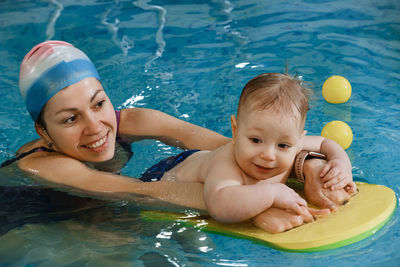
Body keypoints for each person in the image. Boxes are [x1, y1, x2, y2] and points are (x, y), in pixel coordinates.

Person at [4, 41, 353, 231]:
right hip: (32, 220)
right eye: (69, 119)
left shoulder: (131, 120)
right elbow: (144, 191)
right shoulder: (44, 167)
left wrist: (306, 166)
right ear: (43, 131)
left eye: (98, 104)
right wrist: (259, 206)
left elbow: (232, 146)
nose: (95, 126)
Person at [140, 73, 357, 233]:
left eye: (283, 146)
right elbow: (220, 206)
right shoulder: (226, 164)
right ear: (235, 131)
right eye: (255, 140)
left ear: (298, 140)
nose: (269, 155)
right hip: (167, 175)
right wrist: (272, 194)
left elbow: (324, 143)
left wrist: (340, 163)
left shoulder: (289, 143)